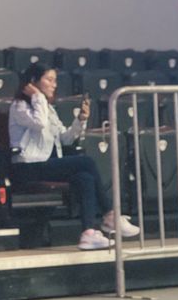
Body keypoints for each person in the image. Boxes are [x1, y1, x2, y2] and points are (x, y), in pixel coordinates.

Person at [8, 65, 139, 250]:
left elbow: (66, 138)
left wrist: (81, 120)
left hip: (45, 165)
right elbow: (38, 123)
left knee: (84, 178)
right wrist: (37, 96)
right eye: (49, 80)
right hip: (26, 166)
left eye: (55, 80)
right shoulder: (19, 106)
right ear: (33, 82)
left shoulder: (48, 109)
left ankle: (88, 233)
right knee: (86, 162)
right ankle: (110, 215)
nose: (54, 85)